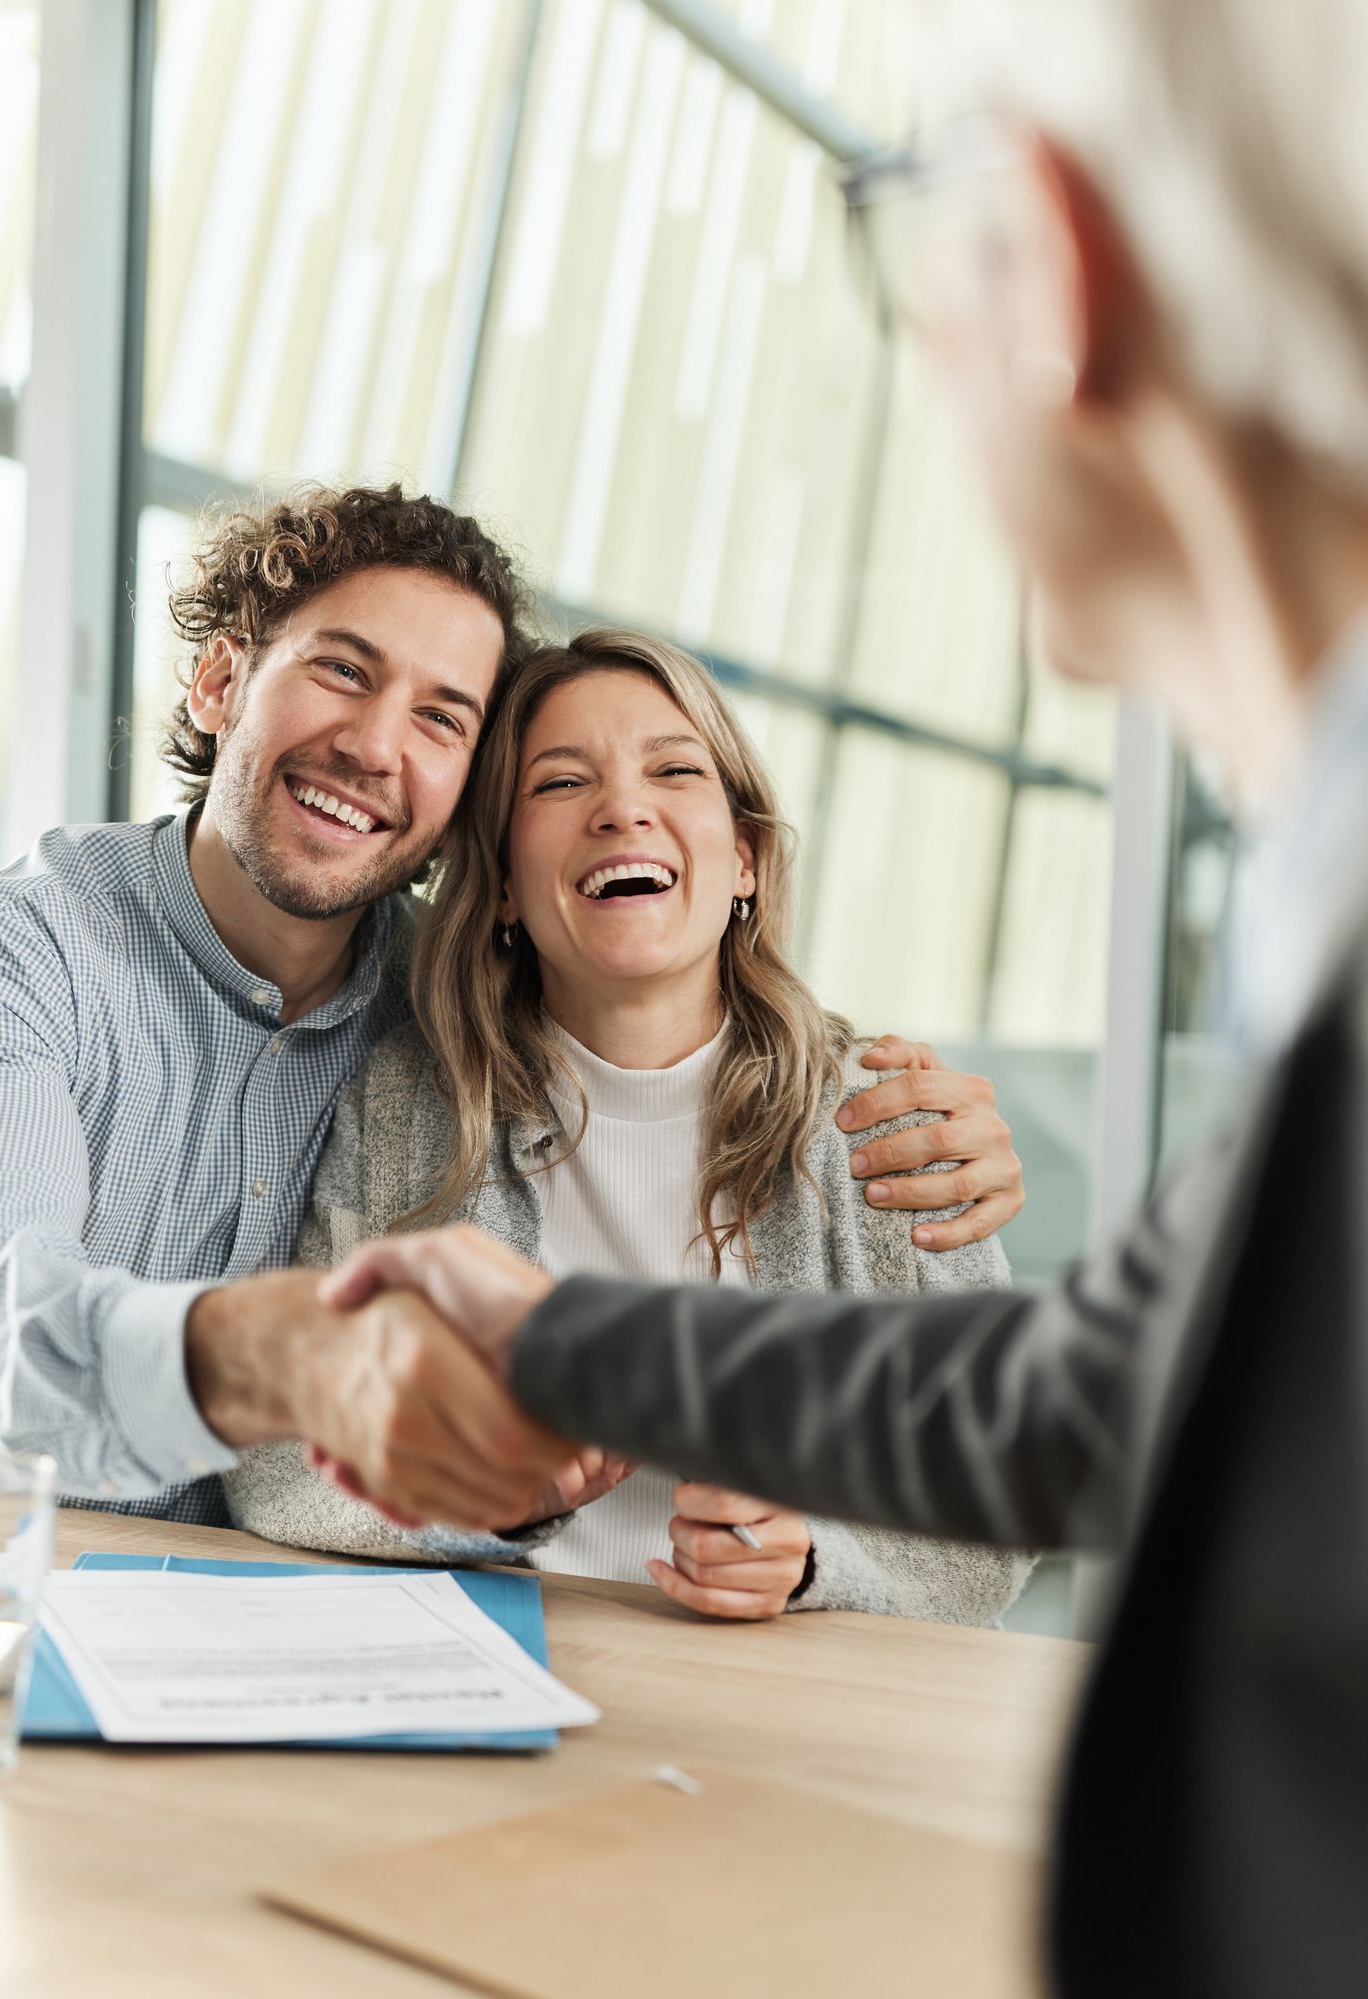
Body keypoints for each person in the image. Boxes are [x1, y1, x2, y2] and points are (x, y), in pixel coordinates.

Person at [295, 2, 1368, 1993]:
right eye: (555, 785)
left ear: (1056, 269)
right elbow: (1073, 1396)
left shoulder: (896, 1101)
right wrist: (569, 1352)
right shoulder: (1315, 897)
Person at [0, 483, 1024, 1527]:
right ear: (220, 682)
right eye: (342, 670)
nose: (375, 746)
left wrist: (930, 1123)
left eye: (441, 718)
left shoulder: (459, 1005)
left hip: (263, 1638)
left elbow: (660, 999)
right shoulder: (9, 951)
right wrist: (271, 1358)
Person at [225, 628, 1031, 1627]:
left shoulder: (885, 1119)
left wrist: (815, 1560)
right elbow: (275, 1465)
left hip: (791, 1702)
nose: (621, 808)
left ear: (742, 856)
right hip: (495, 1661)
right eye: (560, 784)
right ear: (507, 888)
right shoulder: (403, 1104)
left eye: (673, 770)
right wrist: (482, 1502)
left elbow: (994, 1500)